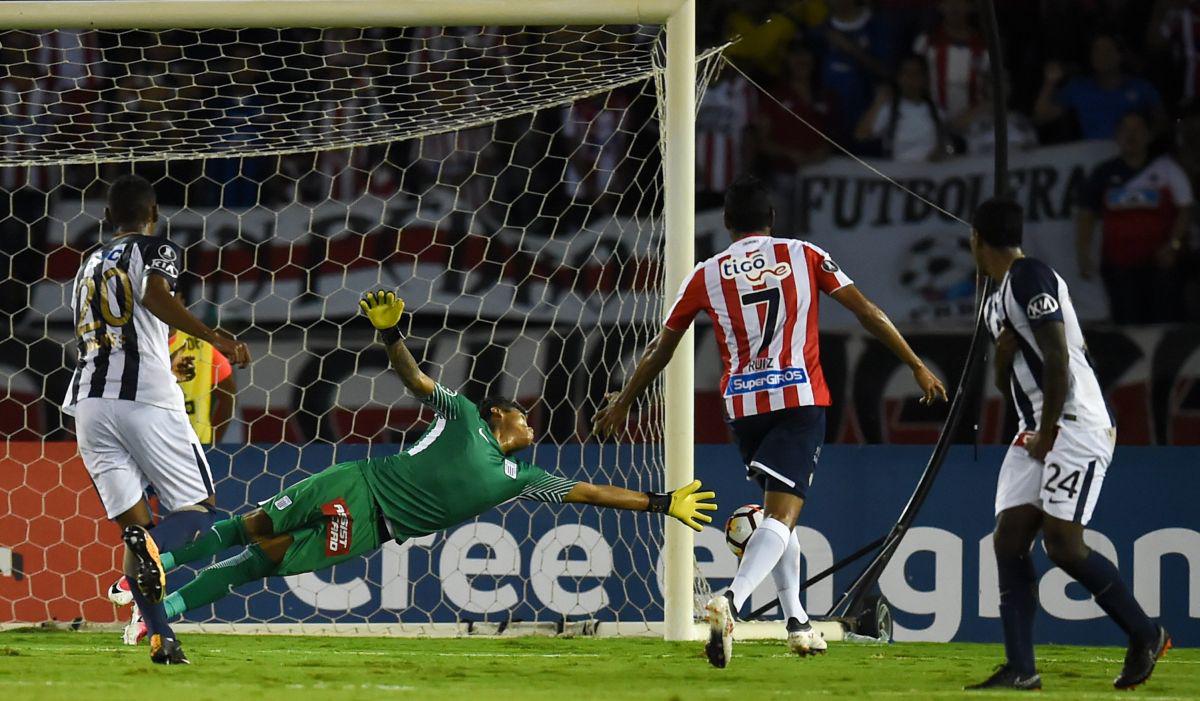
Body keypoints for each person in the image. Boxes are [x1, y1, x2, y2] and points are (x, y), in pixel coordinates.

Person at [122, 290, 717, 631]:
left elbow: (588, 493)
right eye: (520, 413)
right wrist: (390, 334)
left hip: (369, 529)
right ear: (496, 417)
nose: (530, 419)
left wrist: (661, 502)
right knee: (248, 525)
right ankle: (149, 569)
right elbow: (412, 378)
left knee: (258, 562)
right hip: (355, 481)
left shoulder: (520, 479)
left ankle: (160, 611)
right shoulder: (461, 415)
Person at [592, 176, 947, 667]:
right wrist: (914, 362)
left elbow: (663, 345)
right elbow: (865, 310)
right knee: (781, 515)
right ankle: (731, 600)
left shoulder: (706, 272)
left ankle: (798, 623)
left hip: (743, 407)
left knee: (780, 510)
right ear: (772, 219)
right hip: (797, 398)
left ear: (727, 224)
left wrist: (626, 401)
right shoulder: (804, 255)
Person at [967, 197, 1170, 691]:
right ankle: (1021, 668)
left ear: (976, 239)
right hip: (1034, 425)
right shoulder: (995, 299)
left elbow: (1057, 357)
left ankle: (1145, 633)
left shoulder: (1029, 276)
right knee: (1008, 539)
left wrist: (1050, 428)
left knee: (1063, 544)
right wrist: (1002, 361)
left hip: (1072, 421)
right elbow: (1007, 377)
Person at [61, 174, 251, 664]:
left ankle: (161, 637)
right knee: (200, 509)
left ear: (106, 218)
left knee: (136, 528)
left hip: (88, 403)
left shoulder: (87, 264)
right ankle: (143, 569)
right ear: (154, 215)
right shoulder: (155, 247)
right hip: (145, 394)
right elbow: (154, 295)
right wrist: (216, 337)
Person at [1076, 111, 1193, 323]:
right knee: (1127, 322)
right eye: (1125, 130)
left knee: (1165, 321)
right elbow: (1087, 215)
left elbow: (1185, 210)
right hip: (1119, 266)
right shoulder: (1103, 173)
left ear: (1148, 136)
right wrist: (1083, 253)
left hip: (1160, 266)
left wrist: (1174, 245)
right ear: (1117, 136)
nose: (1131, 136)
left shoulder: (1167, 169)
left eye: (1137, 130)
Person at [1035, 33, 1166, 141]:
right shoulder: (1079, 88)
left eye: (1107, 50)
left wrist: (1144, 141)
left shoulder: (1141, 87)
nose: (1101, 55)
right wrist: (1050, 82)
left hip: (1132, 157)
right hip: (1093, 159)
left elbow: (1162, 122)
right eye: (1096, 51)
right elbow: (1041, 117)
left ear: (1120, 56)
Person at [855, 55, 949, 162]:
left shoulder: (937, 111)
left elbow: (945, 145)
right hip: (896, 174)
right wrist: (878, 102)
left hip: (929, 174)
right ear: (898, 77)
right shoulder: (889, 109)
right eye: (906, 73)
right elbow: (861, 135)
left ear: (925, 78)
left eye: (916, 73)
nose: (911, 78)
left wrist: (940, 152)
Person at [169, 330, 238, 443]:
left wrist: (213, 444)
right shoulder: (203, 339)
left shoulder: (203, 342)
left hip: (196, 444)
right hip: (158, 441)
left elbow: (229, 397)